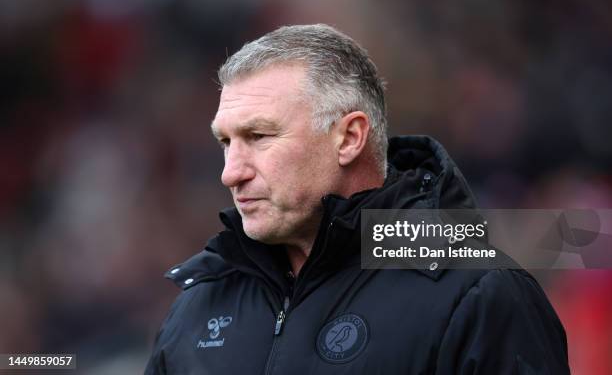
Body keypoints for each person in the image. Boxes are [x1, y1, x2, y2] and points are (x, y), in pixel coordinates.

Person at [145, 24, 569, 374]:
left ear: (348, 138)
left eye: (258, 137)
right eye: (226, 141)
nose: (230, 172)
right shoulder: (196, 308)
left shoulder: (480, 296)